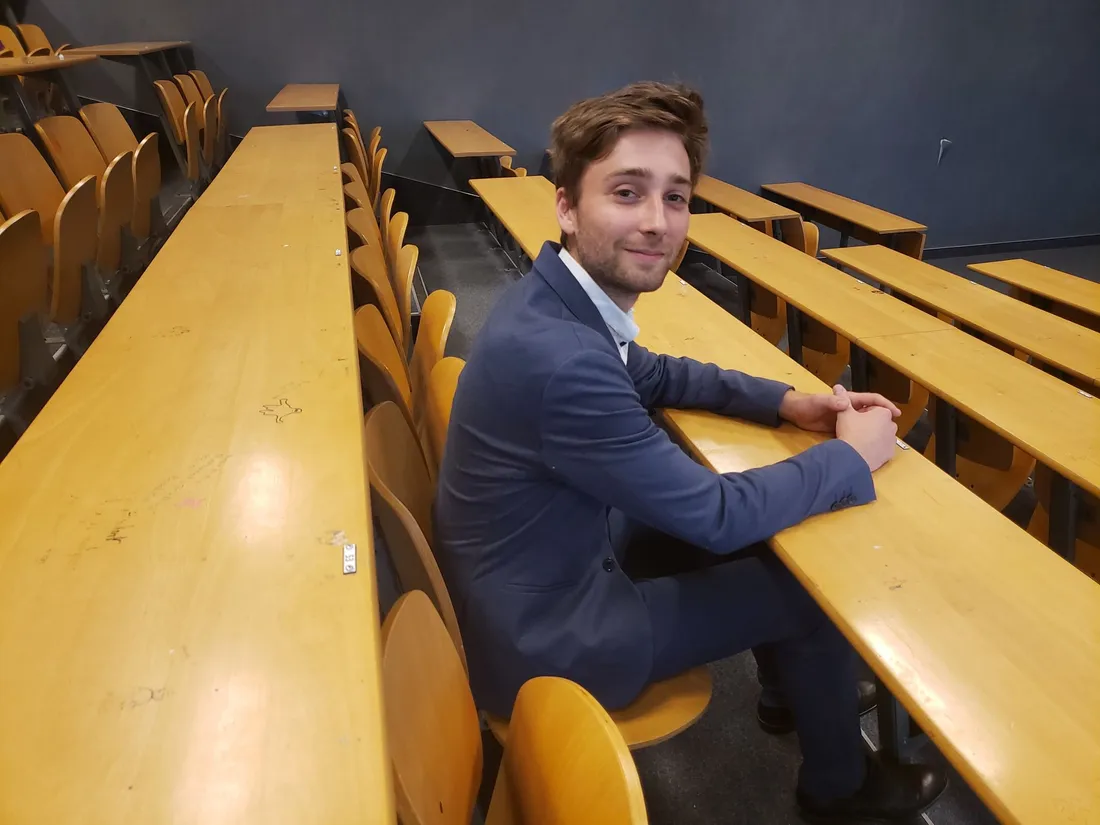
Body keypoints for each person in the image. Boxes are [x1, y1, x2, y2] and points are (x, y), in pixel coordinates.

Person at [435, 81, 946, 822]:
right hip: (548, 641)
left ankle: (785, 691)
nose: (656, 222)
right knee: (810, 591)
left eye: (675, 198)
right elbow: (714, 513)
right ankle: (842, 792)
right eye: (627, 192)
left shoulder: (552, 295)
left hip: (530, 573)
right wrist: (853, 456)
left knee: (746, 540)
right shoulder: (564, 360)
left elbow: (659, 372)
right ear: (567, 205)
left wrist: (788, 401)